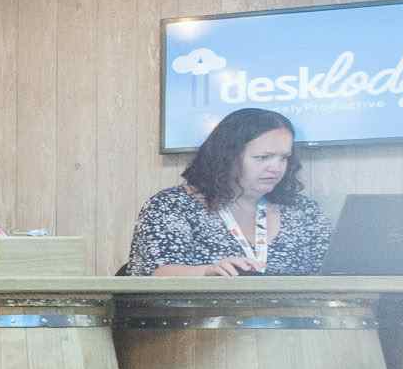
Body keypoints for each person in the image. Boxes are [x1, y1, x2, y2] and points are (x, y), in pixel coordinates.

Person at [125, 107, 328, 277]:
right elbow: (157, 273)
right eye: (262, 157)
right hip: (197, 313)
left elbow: (332, 274)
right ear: (227, 157)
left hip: (292, 313)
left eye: (284, 158)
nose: (276, 168)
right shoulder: (172, 205)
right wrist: (207, 272)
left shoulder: (303, 210)